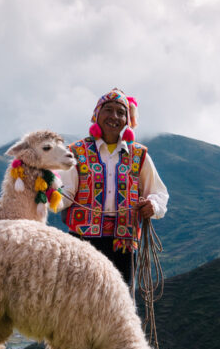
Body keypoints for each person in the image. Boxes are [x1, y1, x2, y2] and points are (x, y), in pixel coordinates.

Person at [59, 88, 169, 285]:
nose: (114, 116)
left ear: (127, 120)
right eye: (108, 110)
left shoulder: (139, 155)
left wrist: (153, 206)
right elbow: (66, 193)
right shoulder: (76, 152)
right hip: (82, 241)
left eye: (121, 112)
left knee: (120, 304)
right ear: (96, 114)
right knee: (79, 302)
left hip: (124, 244)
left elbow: (158, 192)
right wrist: (45, 197)